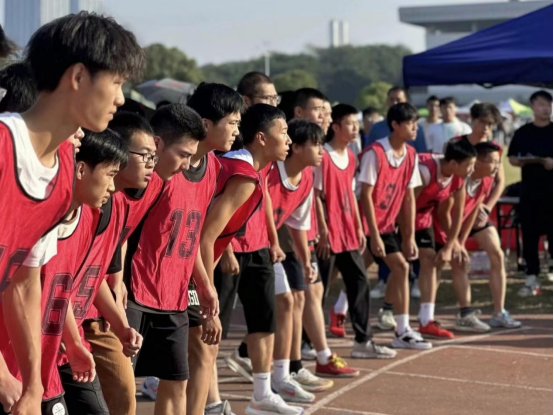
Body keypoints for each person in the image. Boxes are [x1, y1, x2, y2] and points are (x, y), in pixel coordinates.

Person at [0, 12, 143, 415]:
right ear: (78, 76)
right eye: (115, 83)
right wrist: (4, 377)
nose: (120, 99)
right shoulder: (3, 147)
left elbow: (25, 283)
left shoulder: (64, 168)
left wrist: (32, 385)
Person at [200, 104, 298, 415]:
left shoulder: (256, 168)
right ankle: (211, 405)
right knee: (202, 341)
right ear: (261, 137)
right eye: (283, 132)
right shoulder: (239, 172)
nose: (289, 139)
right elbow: (206, 236)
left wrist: (272, 239)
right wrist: (206, 289)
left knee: (259, 322)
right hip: (200, 264)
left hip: (243, 252)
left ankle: (255, 396)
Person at [123, 104, 219, 415]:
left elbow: (190, 236)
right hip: (134, 293)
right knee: (123, 388)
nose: (187, 163)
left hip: (174, 295)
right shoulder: (142, 181)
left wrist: (203, 284)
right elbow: (119, 237)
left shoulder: (211, 170)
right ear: (158, 143)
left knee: (177, 382)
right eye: (183, 154)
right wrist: (114, 281)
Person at [81, 112, 163, 415]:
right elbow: (65, 279)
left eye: (154, 157)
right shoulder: (82, 206)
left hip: (94, 314)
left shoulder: (115, 201)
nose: (152, 164)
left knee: (123, 394)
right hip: (61, 321)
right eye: (145, 156)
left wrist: (120, 323)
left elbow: (95, 274)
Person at [180, 83, 243, 415]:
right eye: (231, 122)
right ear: (206, 124)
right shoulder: (171, 164)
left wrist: (204, 284)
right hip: (151, 278)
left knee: (201, 351)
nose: (236, 131)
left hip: (187, 273)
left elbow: (198, 235)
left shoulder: (213, 166)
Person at [315, 103, 397, 359]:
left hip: (348, 231)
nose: (355, 128)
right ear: (336, 127)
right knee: (318, 288)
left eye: (356, 123)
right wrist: (323, 230)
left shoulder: (351, 156)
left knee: (360, 282)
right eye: (350, 124)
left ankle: (363, 341)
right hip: (327, 232)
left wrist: (360, 227)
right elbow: (316, 196)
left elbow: (351, 193)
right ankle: (307, 341)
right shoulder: (322, 156)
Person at [359, 103, 432, 351]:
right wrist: (373, 234)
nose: (415, 128)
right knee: (354, 270)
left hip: (387, 224)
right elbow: (365, 195)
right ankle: (400, 329)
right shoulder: (375, 153)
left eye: (416, 123)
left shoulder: (411, 154)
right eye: (410, 123)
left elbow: (409, 198)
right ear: (395, 125)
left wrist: (409, 236)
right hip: (364, 223)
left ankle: (401, 329)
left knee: (394, 267)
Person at [437, 143, 522, 332]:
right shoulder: (458, 178)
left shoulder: (486, 181)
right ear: (478, 163)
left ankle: (499, 312)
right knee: (455, 262)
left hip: (470, 219)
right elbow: (445, 213)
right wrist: (455, 242)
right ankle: (463, 313)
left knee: (497, 254)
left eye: (499, 162)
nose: (498, 166)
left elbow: (475, 208)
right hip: (448, 223)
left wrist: (462, 241)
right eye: (493, 162)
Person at [415, 141, 477, 340]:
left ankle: (426, 320)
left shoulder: (458, 178)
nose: (472, 170)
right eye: (469, 165)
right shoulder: (425, 171)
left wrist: (451, 245)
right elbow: (406, 202)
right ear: (453, 163)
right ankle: (342, 307)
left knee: (429, 260)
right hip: (397, 216)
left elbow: (456, 212)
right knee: (378, 261)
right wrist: (406, 237)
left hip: (422, 219)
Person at [509, 91, 554, 296]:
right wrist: (518, 161)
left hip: (552, 192)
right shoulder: (523, 132)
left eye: (549, 105)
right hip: (529, 192)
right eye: (542, 104)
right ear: (533, 107)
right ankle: (531, 276)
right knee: (529, 235)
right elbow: (511, 157)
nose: (546, 108)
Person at [366, 87, 427, 153]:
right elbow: (368, 151)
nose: (395, 103)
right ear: (387, 101)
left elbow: (422, 155)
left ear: (405, 101)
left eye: (398, 100)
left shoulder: (416, 129)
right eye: (391, 100)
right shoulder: (376, 128)